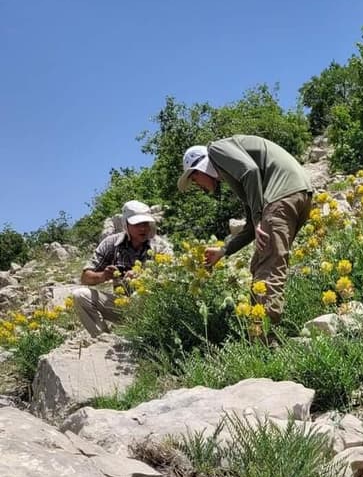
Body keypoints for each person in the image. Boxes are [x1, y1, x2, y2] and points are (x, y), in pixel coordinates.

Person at [178, 135, 313, 325]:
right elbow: (251, 226)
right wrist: (224, 251)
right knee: (260, 263)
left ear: (199, 168)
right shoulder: (234, 172)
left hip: (282, 196)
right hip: (300, 195)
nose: (198, 185)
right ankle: (259, 330)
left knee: (268, 268)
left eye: (194, 178)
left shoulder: (216, 151)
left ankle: (264, 341)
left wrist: (259, 219)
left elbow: (250, 171)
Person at [72, 200, 171, 337]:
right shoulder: (111, 243)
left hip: (154, 307)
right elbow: (85, 277)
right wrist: (104, 276)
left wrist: (143, 277)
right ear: (126, 225)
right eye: (137, 224)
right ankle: (102, 339)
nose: (143, 228)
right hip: (122, 306)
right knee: (80, 295)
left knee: (139, 296)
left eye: (146, 224)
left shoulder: (160, 247)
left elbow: (171, 275)